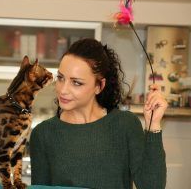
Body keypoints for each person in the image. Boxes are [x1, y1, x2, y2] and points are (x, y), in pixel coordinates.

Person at [29, 38, 167, 189]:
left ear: (99, 86)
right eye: (61, 78)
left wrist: (153, 124)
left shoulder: (125, 125)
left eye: (76, 82)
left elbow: (152, 186)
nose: (63, 90)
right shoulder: (42, 134)